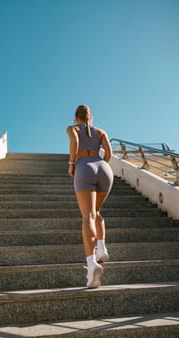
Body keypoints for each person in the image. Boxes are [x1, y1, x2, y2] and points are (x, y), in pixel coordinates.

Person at [66, 105, 114, 289]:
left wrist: (72, 164)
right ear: (90, 116)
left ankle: (92, 264)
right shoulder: (101, 131)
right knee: (96, 211)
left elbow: (75, 143)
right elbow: (108, 153)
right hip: (103, 168)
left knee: (88, 216)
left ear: (75, 116)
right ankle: (102, 247)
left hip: (84, 167)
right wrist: (101, 166)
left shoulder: (72, 128)